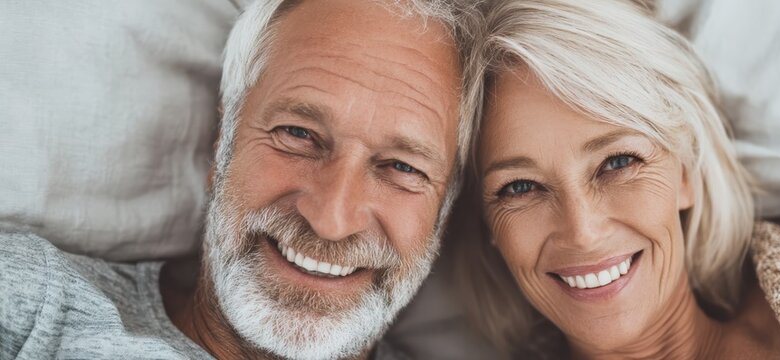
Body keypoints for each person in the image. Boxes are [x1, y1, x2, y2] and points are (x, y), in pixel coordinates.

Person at [0, 0, 481, 359]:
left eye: (402, 167)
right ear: (220, 143)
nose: (330, 220)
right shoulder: (33, 307)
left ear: (445, 211)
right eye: (297, 133)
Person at [455, 0, 780, 359]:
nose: (583, 232)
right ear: (490, 224)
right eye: (520, 187)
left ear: (686, 170)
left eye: (618, 163)